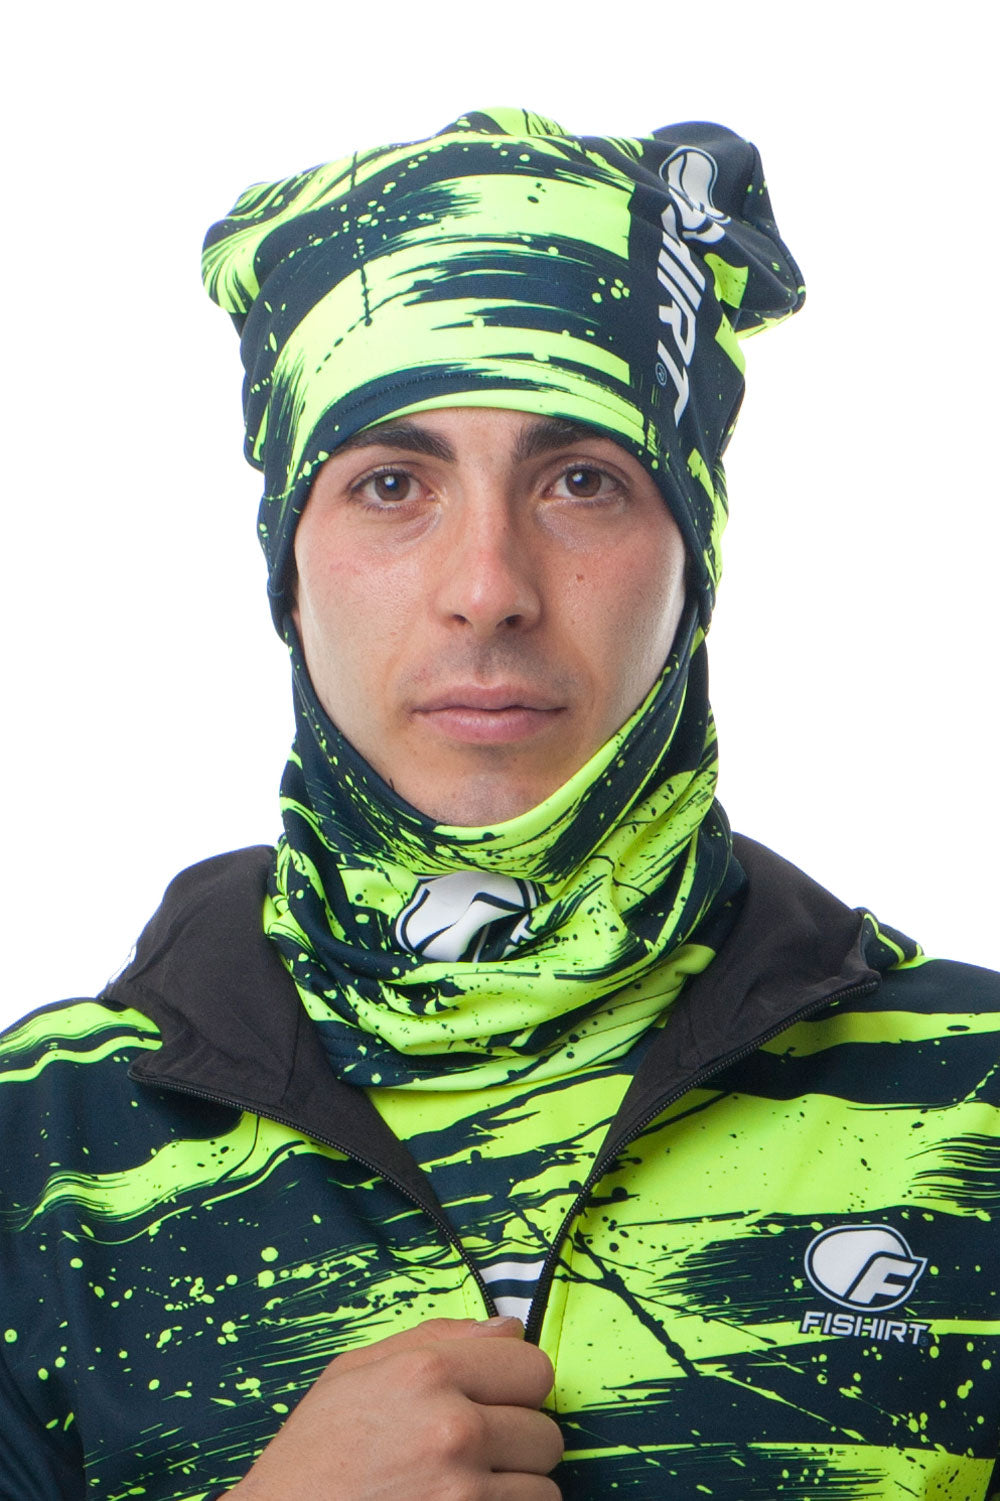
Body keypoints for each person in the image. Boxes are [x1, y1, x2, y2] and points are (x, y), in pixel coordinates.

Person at [2, 106, 999, 1501]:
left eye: (583, 480)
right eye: (390, 484)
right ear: (289, 565)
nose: (488, 586)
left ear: (693, 557)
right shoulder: (43, 1146)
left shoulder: (973, 1094)